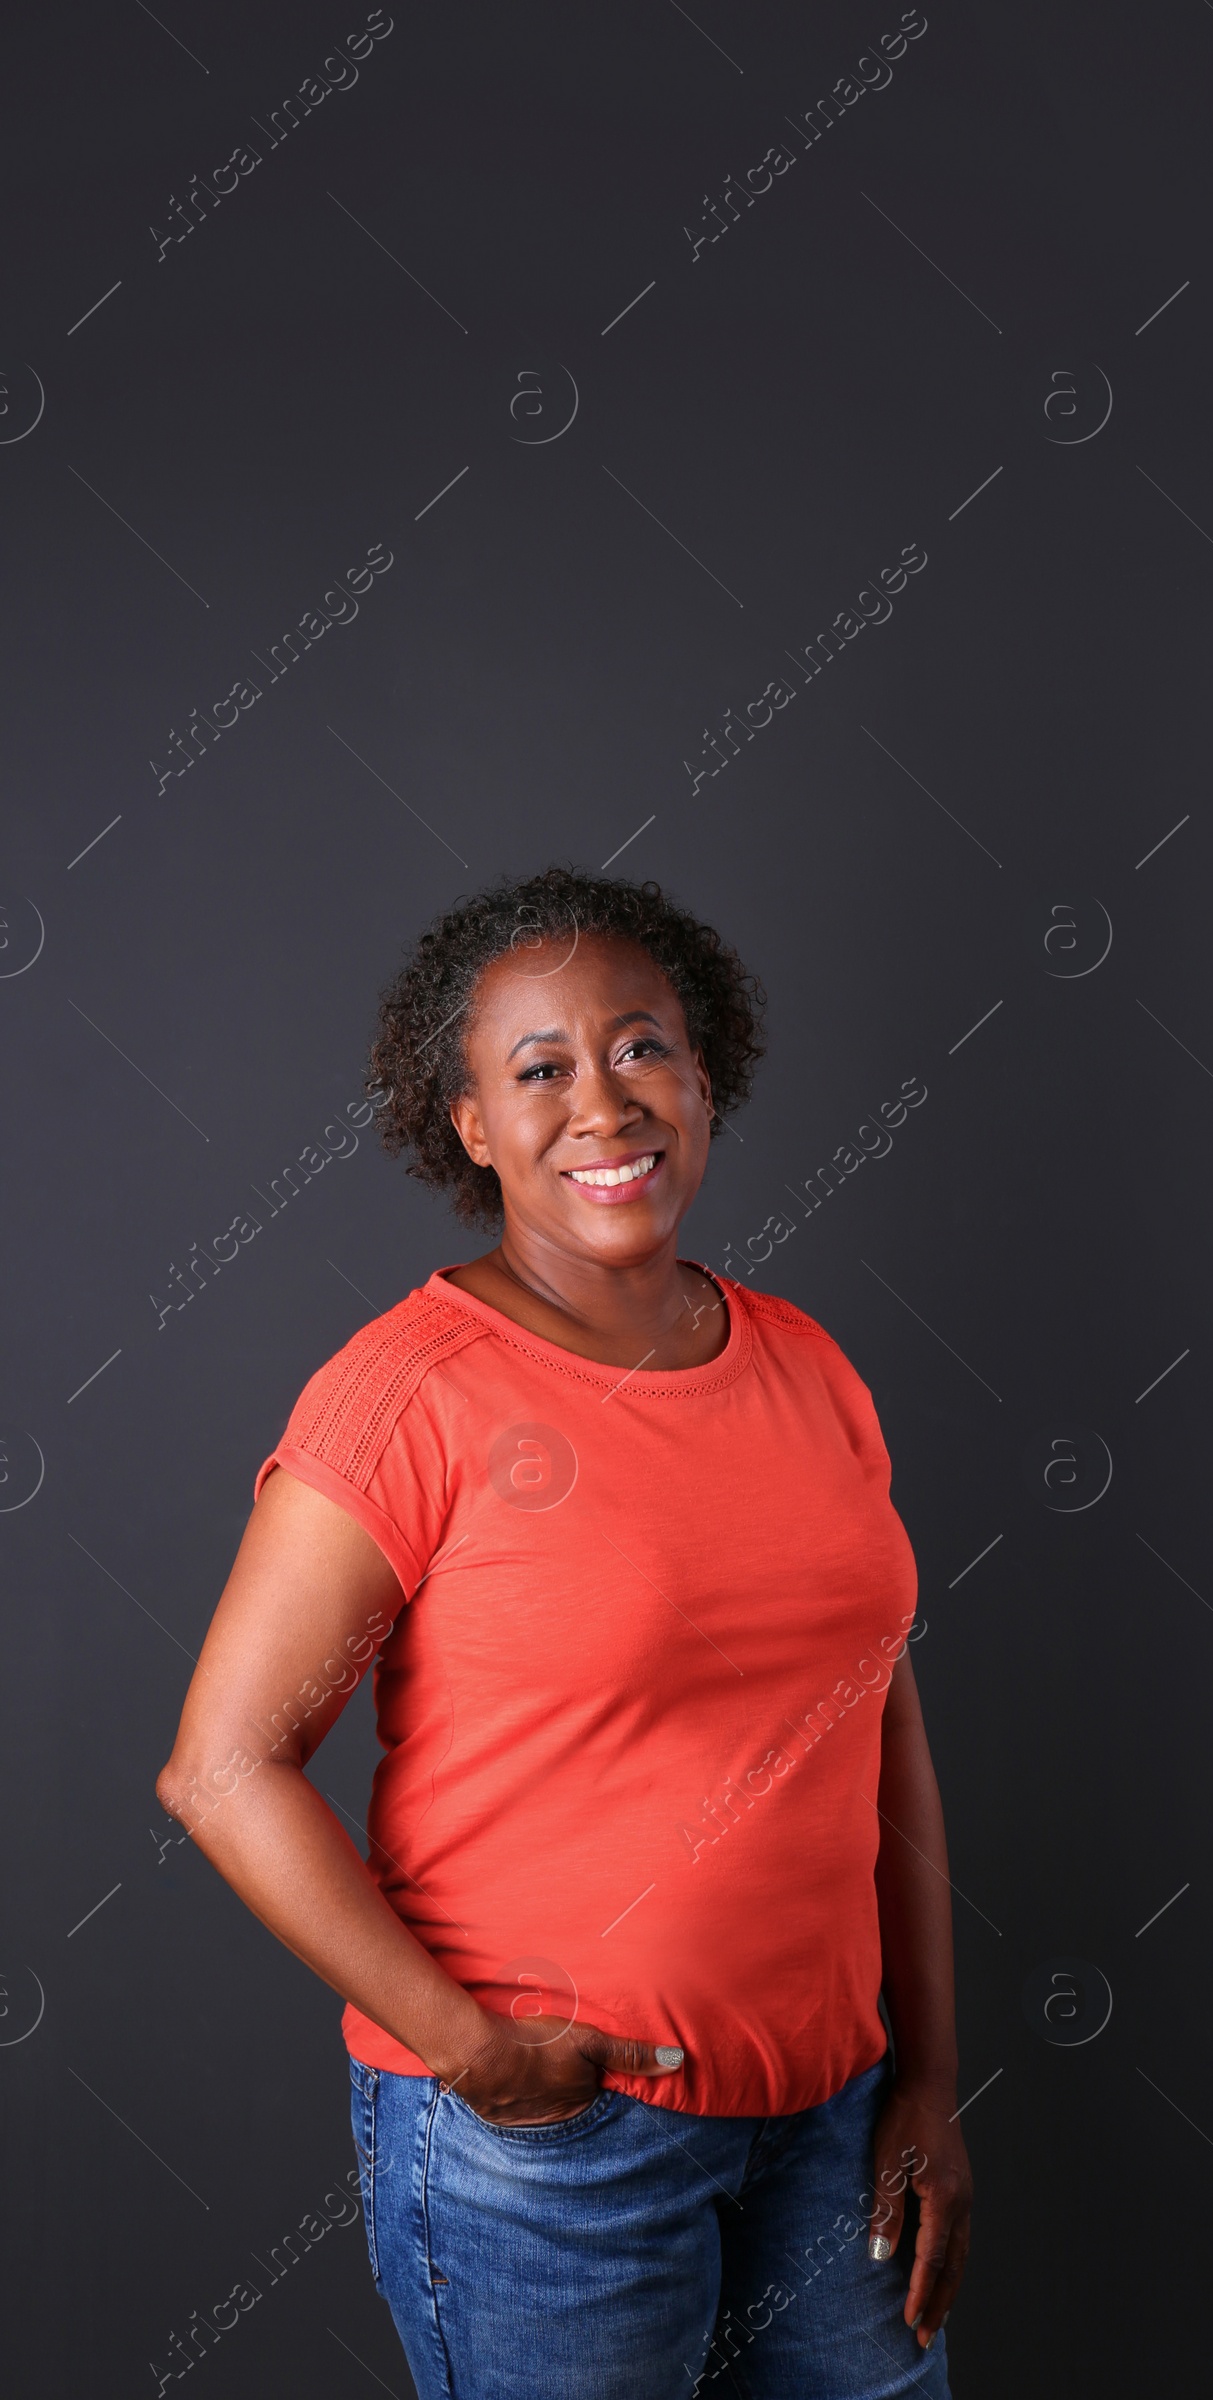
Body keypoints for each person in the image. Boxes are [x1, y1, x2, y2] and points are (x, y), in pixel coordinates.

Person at [156, 866, 971, 2398]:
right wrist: (473, 2055)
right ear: (470, 1126)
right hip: (556, 2158)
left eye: (643, 1047)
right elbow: (221, 1768)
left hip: (837, 2128)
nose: (605, 1104)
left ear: (706, 1071)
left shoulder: (808, 1369)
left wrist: (926, 2075)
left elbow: (887, 1728)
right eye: (540, 1070)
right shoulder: (413, 1394)